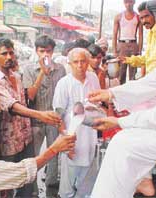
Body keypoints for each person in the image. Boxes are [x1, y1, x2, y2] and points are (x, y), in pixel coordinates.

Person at [88, 0, 156, 197]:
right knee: (124, 143)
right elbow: (154, 81)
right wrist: (112, 93)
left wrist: (118, 121)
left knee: (124, 144)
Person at [0, 37, 63, 197]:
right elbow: (13, 107)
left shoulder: (17, 76)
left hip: (25, 137)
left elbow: (26, 99)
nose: (9, 57)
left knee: (27, 183)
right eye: (4, 53)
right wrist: (40, 115)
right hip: (8, 142)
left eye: (11, 53)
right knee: (8, 184)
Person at [22, 35, 66, 197]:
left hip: (54, 118)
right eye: (42, 51)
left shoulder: (60, 69)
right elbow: (30, 96)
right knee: (34, 155)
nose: (45, 55)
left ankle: (51, 183)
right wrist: (42, 72)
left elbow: (63, 95)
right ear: (36, 51)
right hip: (36, 118)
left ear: (53, 51)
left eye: (48, 51)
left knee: (54, 152)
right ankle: (32, 186)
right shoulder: (28, 69)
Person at [53, 48, 100, 198]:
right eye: (76, 62)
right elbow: (58, 114)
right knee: (69, 174)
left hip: (90, 132)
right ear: (70, 64)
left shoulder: (93, 78)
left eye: (83, 61)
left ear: (88, 62)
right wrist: (66, 140)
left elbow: (98, 102)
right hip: (72, 134)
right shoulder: (64, 83)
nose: (80, 65)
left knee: (87, 170)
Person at [119, 1, 156, 77]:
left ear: (155, 15)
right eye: (141, 18)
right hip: (152, 78)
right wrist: (128, 60)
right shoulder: (150, 34)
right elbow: (147, 59)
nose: (144, 21)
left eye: (146, 16)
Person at [113, 0, 143, 84]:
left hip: (133, 44)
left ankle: (132, 91)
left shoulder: (138, 17)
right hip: (122, 44)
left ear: (134, 2)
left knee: (133, 71)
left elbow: (140, 35)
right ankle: (120, 91)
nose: (128, 4)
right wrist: (114, 51)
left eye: (130, 2)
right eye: (126, 2)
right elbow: (114, 34)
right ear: (123, 3)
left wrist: (140, 50)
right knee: (121, 71)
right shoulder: (119, 16)